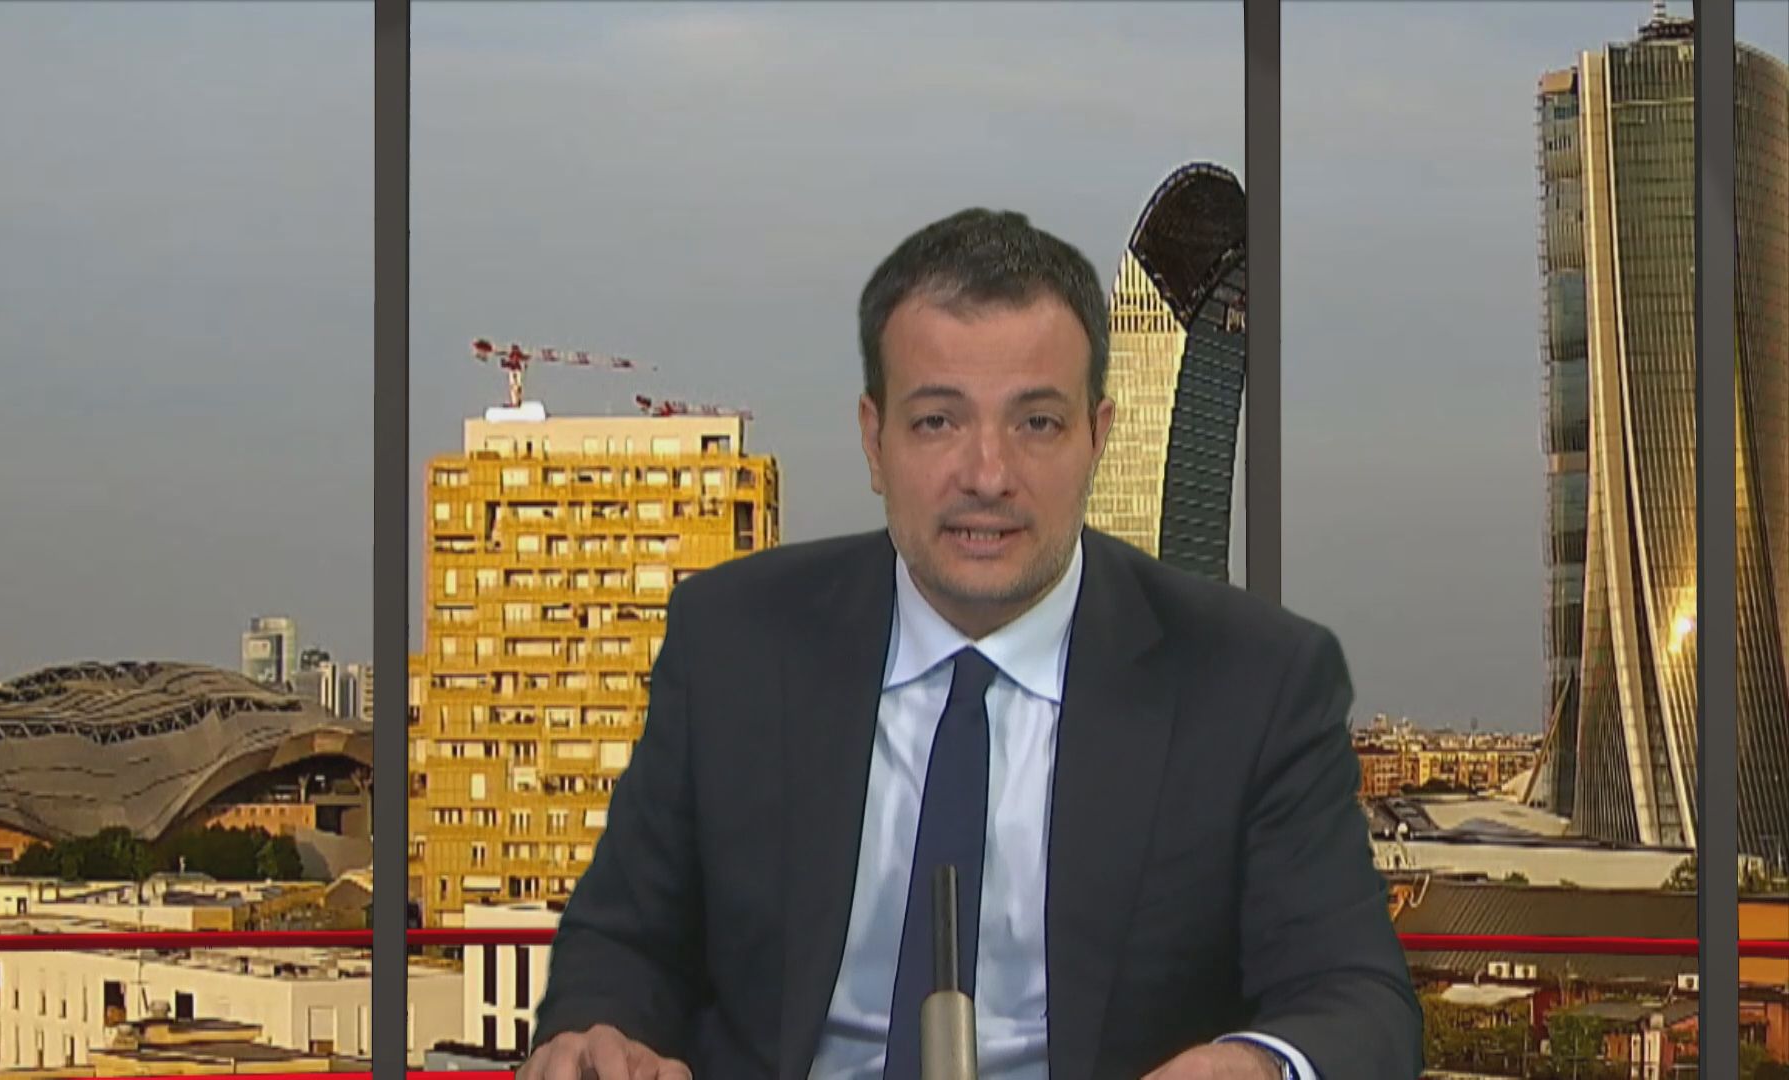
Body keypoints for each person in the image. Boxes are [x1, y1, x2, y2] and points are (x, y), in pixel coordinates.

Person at [521, 209, 1423, 1079]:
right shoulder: (734, 641)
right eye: (937, 421)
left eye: (1037, 423)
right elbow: (624, 945)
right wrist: (601, 1041)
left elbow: (1356, 999)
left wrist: (1260, 1066)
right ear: (874, 441)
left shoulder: (1251, 680)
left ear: (1098, 439)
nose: (988, 476)